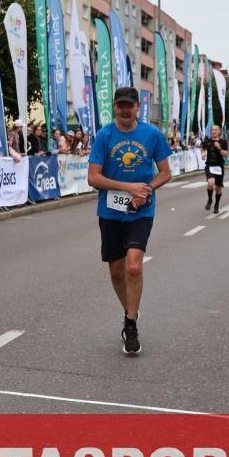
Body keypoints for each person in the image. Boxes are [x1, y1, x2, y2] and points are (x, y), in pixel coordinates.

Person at [87, 87, 171, 356]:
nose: (125, 110)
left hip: (140, 211)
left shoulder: (152, 134)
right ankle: (130, 309)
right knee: (116, 271)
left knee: (133, 267)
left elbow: (165, 172)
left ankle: (131, 324)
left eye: (129, 105)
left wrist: (145, 189)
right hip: (110, 211)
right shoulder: (104, 136)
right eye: (120, 105)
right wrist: (128, 187)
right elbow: (93, 178)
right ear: (114, 107)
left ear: (138, 108)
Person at [201, 125, 229, 214]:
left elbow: (226, 155)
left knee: (218, 188)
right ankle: (210, 200)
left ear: (219, 132)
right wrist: (203, 153)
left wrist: (219, 148)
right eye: (212, 130)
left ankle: (216, 205)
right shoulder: (208, 141)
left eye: (215, 130)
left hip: (219, 166)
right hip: (209, 165)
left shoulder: (223, 142)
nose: (213, 131)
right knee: (211, 183)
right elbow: (203, 147)